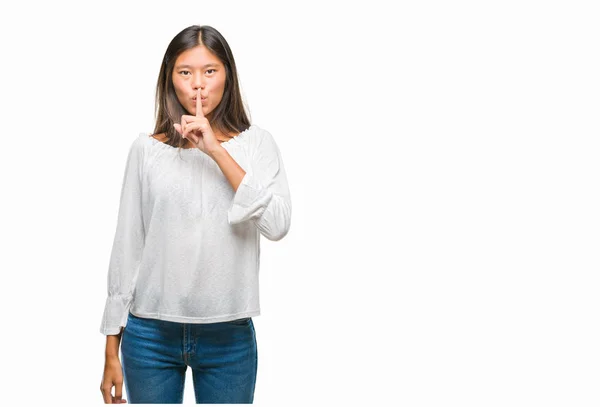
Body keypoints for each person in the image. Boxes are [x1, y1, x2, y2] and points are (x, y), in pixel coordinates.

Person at [99, 24, 292, 404]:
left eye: (210, 71)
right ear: (170, 79)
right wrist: (110, 349)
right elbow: (127, 248)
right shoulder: (146, 151)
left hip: (228, 335)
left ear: (227, 76)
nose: (198, 85)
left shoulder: (257, 145)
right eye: (185, 72)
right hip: (150, 334)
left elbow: (277, 224)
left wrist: (216, 151)